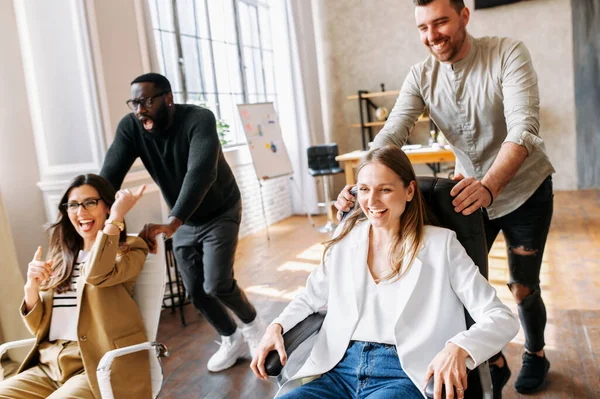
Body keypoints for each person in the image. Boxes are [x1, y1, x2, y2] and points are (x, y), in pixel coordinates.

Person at [335, 1, 555, 396]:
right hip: (469, 197)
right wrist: (362, 184)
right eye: (423, 27)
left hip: (523, 192)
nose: (432, 35)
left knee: (522, 287)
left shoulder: (508, 52)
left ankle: (536, 353)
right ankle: (492, 359)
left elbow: (524, 127)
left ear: (464, 16)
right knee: (461, 287)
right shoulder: (420, 76)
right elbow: (392, 134)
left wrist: (489, 184)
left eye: (441, 22)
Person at [252, 146, 519, 399]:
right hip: (337, 369)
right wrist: (276, 326)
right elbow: (310, 297)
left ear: (410, 191)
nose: (372, 201)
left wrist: (458, 347)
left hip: (403, 373)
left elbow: (501, 317)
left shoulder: (441, 245)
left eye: (385, 189)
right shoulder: (346, 238)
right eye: (365, 189)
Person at [99, 73, 263, 372]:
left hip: (220, 210)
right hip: (184, 218)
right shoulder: (131, 127)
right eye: (134, 103)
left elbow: (201, 171)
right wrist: (93, 211)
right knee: (195, 290)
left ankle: (253, 326)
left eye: (146, 101)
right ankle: (231, 337)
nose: (139, 110)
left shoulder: (199, 119)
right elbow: (109, 175)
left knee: (217, 283)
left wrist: (172, 221)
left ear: (168, 98)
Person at [0, 174, 151, 398]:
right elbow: (39, 327)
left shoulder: (129, 249)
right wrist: (31, 288)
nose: (81, 212)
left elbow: (95, 274)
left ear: (108, 207)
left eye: (90, 203)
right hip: (50, 365)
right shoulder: (62, 256)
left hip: (98, 363)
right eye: (73, 205)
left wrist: (117, 217)